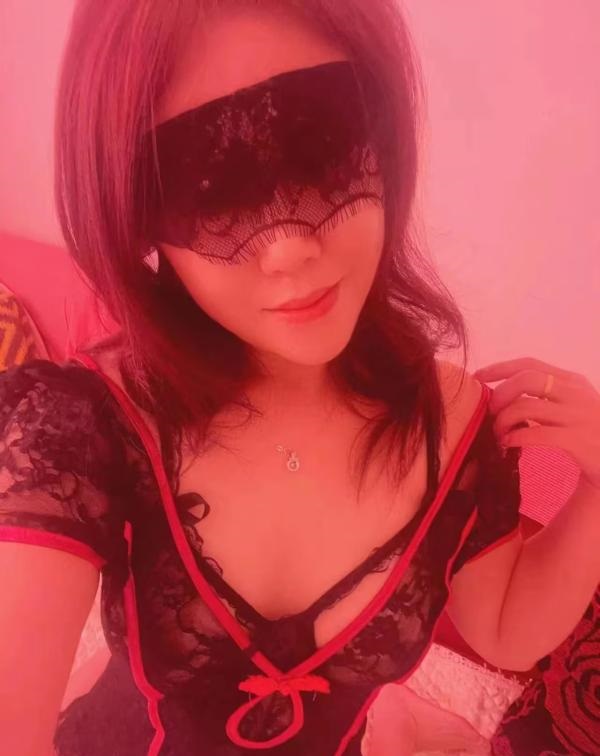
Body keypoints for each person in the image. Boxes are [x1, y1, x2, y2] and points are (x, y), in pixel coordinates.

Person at [2, 2, 600, 755]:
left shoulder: (448, 420)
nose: (287, 249)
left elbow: (508, 630)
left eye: (321, 148)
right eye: (209, 187)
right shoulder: (84, 428)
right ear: (138, 211)